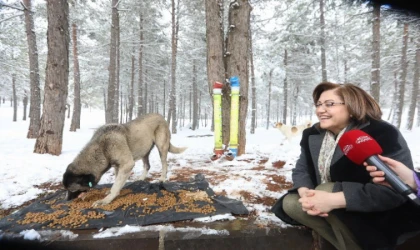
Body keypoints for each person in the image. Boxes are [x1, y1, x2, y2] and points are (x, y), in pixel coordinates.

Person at [271, 82, 418, 250]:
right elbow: (301, 168)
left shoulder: (382, 132)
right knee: (291, 203)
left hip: (376, 210)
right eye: (318, 104)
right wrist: (306, 193)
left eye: (329, 104)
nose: (320, 110)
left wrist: (335, 199)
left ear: (352, 105)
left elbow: (394, 192)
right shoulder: (313, 134)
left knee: (327, 189)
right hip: (328, 204)